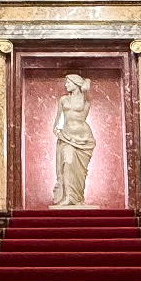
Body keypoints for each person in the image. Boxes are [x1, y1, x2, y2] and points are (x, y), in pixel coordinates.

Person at [49, 74, 95, 207]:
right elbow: (58, 118)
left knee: (80, 171)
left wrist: (85, 85)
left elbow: (87, 84)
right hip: (67, 137)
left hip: (84, 138)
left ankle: (78, 197)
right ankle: (68, 196)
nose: (66, 85)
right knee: (67, 163)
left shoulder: (86, 102)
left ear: (76, 83)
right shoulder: (63, 100)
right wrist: (56, 129)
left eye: (68, 82)